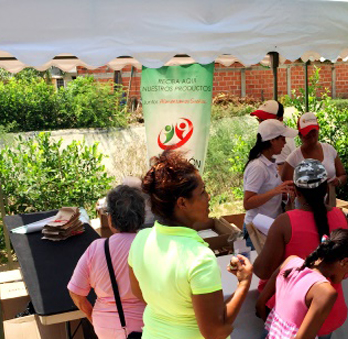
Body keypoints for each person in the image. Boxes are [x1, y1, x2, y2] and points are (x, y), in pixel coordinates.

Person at [129, 151, 252, 339]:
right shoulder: (199, 257)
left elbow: (140, 294)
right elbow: (216, 331)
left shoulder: (141, 240)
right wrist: (243, 284)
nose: (208, 197)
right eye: (202, 192)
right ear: (182, 203)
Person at [253, 159, 348, 338]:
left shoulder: (285, 222)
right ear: (325, 188)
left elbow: (262, 270)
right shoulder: (341, 217)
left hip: (292, 315)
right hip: (327, 312)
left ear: (297, 191)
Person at [69, 185, 149, 339]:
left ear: (110, 218)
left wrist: (92, 315)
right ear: (141, 217)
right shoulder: (148, 244)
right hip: (145, 325)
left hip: (105, 326)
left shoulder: (97, 248)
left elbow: (75, 292)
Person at [259, 229, 348, 339]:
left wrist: (276, 330)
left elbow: (259, 305)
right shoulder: (325, 292)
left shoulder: (290, 261)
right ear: (345, 262)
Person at [245, 120, 297, 243]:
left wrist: (283, 193)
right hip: (257, 230)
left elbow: (268, 192)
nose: (285, 142)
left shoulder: (269, 163)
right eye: (282, 138)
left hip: (268, 226)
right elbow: (247, 203)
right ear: (272, 140)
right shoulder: (258, 167)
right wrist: (275, 191)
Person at [281, 112, 347, 208]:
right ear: (300, 135)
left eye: (313, 131)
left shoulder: (329, 150)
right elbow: (285, 187)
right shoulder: (293, 158)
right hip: (304, 208)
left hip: (329, 205)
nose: (311, 135)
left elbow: (343, 175)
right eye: (307, 133)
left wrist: (338, 181)